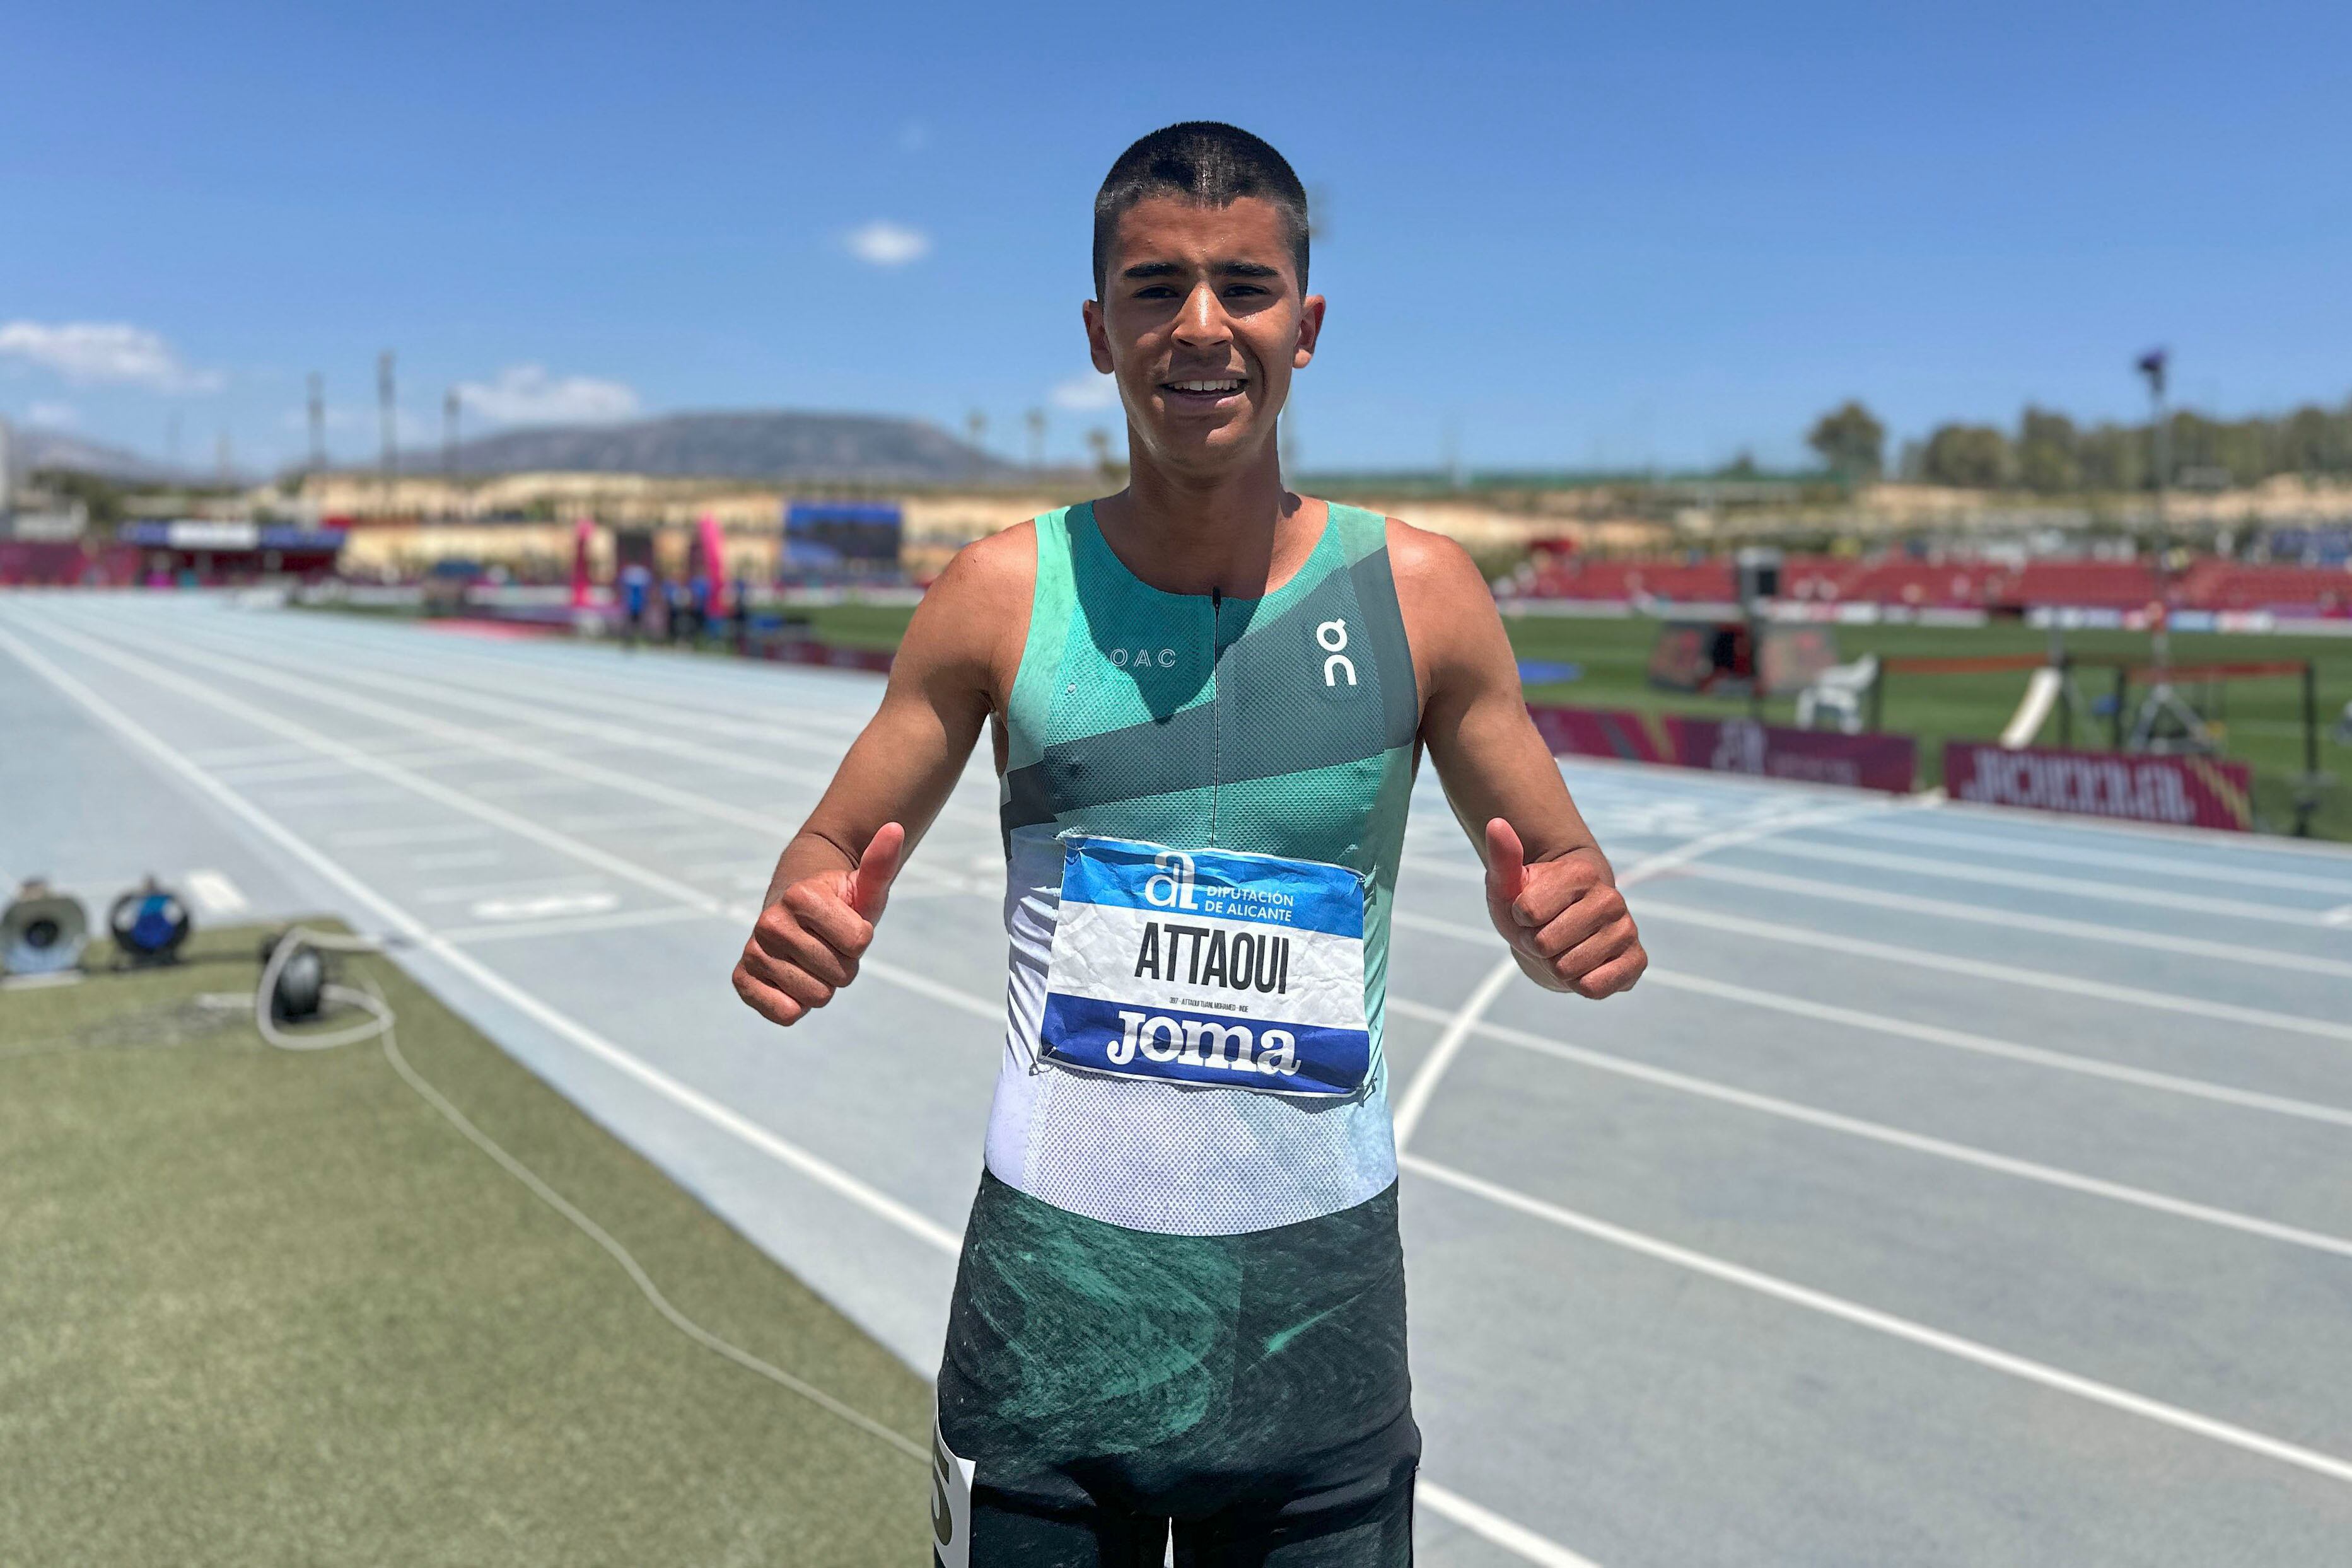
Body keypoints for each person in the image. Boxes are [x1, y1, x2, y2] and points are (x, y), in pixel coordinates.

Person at [733, 122, 1645, 1567]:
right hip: (1048, 1337)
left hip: (1315, 1336)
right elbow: (827, 847)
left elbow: (1563, 885)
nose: (1202, 327)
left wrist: (1562, 933)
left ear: (1307, 324)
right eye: (1156, 289)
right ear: (1099, 333)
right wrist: (800, 912)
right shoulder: (994, 596)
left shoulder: (1424, 597)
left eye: (1245, 286)